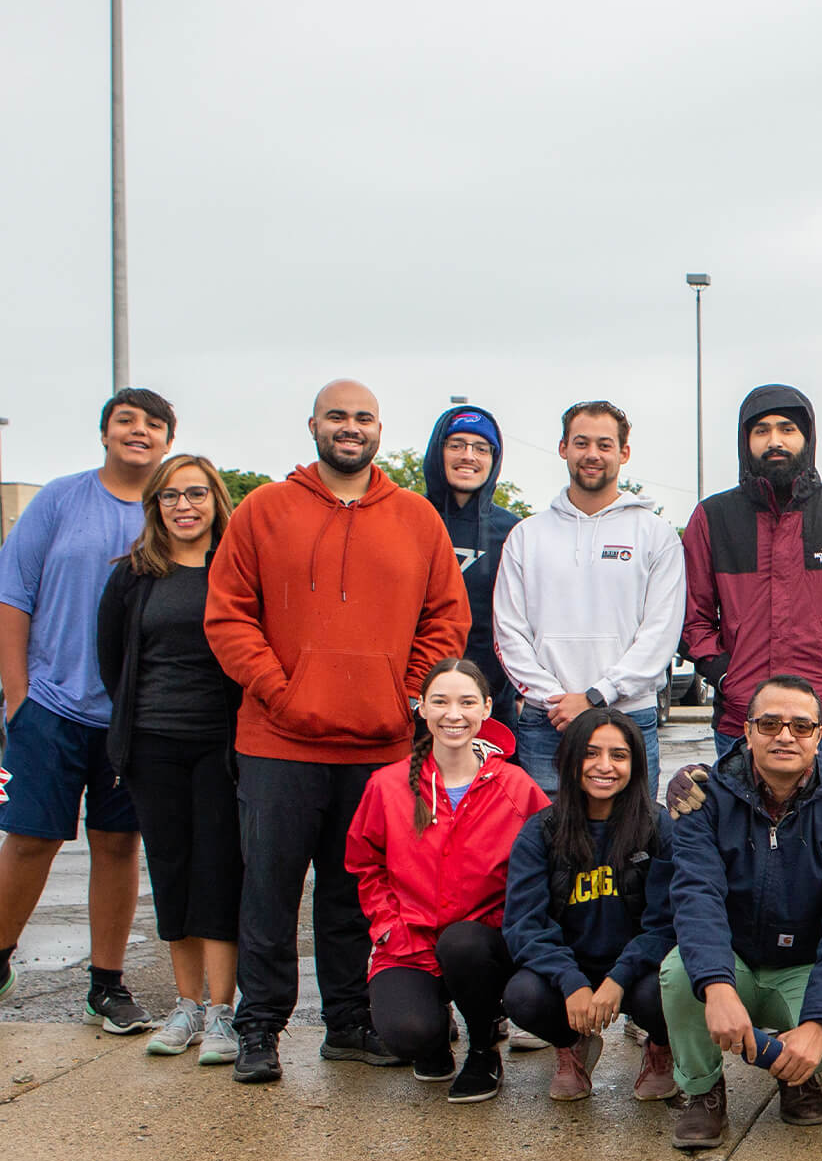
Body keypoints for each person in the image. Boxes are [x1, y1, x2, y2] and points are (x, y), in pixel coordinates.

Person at [205, 379, 470, 1083]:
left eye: (363, 418)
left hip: (379, 743)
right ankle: (259, 1027)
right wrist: (281, 693)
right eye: (336, 417)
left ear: (380, 430)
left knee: (356, 894)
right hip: (278, 743)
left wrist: (406, 696)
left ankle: (349, 1023)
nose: (349, 428)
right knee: (268, 889)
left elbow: (446, 620)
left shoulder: (415, 517)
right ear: (314, 426)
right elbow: (229, 617)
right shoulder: (263, 510)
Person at [0, 387, 176, 1028]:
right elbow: (12, 595)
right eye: (126, 420)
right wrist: (18, 699)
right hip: (48, 704)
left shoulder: (170, 511)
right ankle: (0, 956)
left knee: (117, 843)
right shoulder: (59, 499)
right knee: (29, 840)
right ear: (105, 433)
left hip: (129, 718)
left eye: (153, 424)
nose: (139, 431)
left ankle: (107, 984)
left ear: (167, 441)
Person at [660, 674, 822, 1147]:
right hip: (732, 957)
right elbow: (697, 896)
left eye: (801, 726)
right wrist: (716, 988)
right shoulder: (704, 799)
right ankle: (703, 1091)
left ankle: (794, 1070)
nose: (785, 735)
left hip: (799, 964)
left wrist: (817, 1026)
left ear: (820, 735)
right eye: (771, 722)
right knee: (680, 974)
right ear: (747, 729)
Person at [95, 454, 245, 1063]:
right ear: (154, 505)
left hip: (223, 747)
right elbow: (114, 663)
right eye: (170, 496)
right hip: (152, 747)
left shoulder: (236, 570)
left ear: (215, 500)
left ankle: (222, 1014)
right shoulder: (133, 576)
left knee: (219, 872)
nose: (183, 505)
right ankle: (185, 1006)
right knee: (173, 872)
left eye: (196, 493)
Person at [346, 659, 548, 1102]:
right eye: (439, 702)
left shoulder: (515, 786)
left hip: (482, 944)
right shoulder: (387, 785)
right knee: (407, 1034)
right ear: (421, 708)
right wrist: (388, 927)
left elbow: (541, 870)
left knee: (462, 944)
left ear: (487, 709)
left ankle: (482, 1045)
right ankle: (434, 1040)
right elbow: (365, 863)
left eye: (466, 702)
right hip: (409, 941)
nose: (453, 714)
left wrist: (508, 926)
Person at [682, 384, 822, 761]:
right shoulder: (713, 518)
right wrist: (724, 675)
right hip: (741, 723)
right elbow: (690, 615)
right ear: (745, 441)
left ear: (807, 438)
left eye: (787, 429)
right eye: (761, 431)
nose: (774, 440)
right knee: (740, 821)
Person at [495, 401, 684, 793]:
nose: (592, 454)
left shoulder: (656, 535)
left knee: (634, 846)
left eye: (605, 444)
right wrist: (556, 700)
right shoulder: (527, 536)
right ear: (563, 448)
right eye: (581, 443)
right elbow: (509, 631)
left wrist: (597, 697)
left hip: (629, 719)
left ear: (624, 453)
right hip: (547, 721)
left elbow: (660, 635)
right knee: (548, 844)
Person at [501, 706, 678, 1104]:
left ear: (635, 763)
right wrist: (570, 980)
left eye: (619, 755)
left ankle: (661, 1048)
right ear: (570, 759)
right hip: (571, 967)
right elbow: (524, 924)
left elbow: (667, 923)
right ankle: (572, 1044)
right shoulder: (541, 831)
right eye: (591, 753)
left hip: (637, 971)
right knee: (522, 995)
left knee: (672, 990)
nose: (605, 766)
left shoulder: (656, 826)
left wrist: (619, 978)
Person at [423, 404, 520, 728]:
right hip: (418, 703)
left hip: (493, 706)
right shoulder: (407, 519)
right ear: (439, 451)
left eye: (481, 448)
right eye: (456, 445)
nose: (468, 456)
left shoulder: (515, 532)